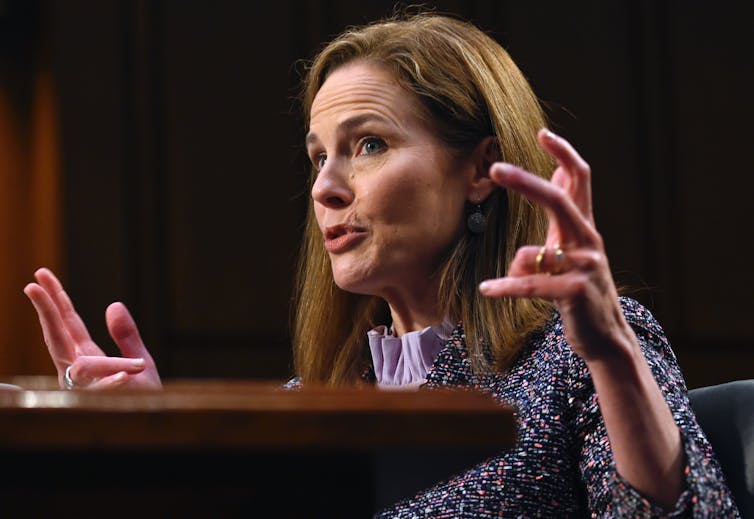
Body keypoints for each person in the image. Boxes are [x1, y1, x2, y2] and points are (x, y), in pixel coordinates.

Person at [24, 12, 739, 518]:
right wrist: (164, 455)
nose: (325, 187)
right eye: (317, 156)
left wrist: (613, 355)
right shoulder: (310, 405)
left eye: (367, 144)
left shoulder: (571, 361)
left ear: (482, 168)